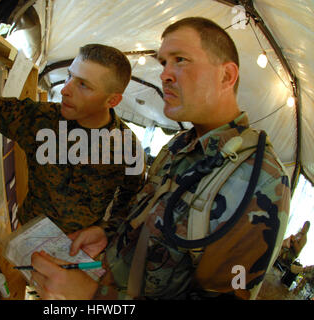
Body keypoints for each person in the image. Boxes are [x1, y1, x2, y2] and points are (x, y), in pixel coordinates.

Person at [30, 17, 291, 300]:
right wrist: (109, 233)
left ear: (226, 76)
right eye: (163, 62)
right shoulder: (181, 144)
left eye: (180, 60)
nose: (164, 74)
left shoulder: (260, 181)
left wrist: (95, 297)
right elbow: (149, 215)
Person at [0, 44, 145, 235]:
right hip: (29, 232)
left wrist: (104, 233)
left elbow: (129, 202)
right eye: (69, 77)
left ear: (112, 101)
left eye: (83, 85)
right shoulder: (42, 119)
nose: (65, 89)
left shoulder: (128, 148)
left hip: (80, 245)